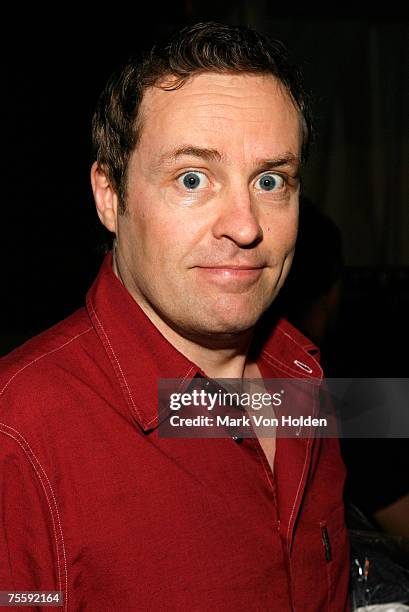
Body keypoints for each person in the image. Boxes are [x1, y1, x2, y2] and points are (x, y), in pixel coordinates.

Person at [0, 23, 350, 610]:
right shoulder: (20, 434)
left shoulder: (303, 375)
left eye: (270, 180)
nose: (245, 225)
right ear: (109, 195)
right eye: (192, 178)